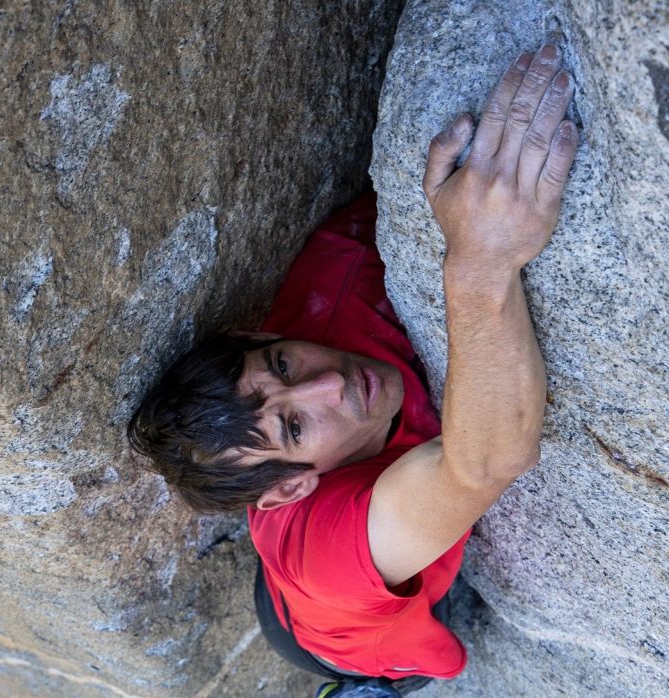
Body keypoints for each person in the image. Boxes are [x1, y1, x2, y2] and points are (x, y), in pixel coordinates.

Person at [127, 45, 578, 697]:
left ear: (259, 334)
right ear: (287, 491)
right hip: (335, 632)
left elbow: (434, 197)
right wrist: (480, 263)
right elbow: (484, 462)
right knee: (387, 672)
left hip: (300, 571)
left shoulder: (338, 275)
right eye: (294, 426)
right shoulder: (336, 558)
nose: (330, 383)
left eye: (282, 363)